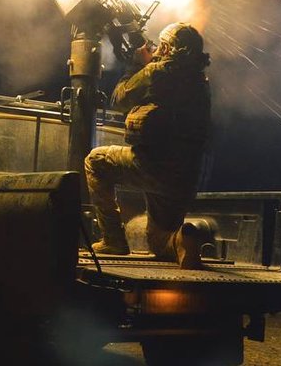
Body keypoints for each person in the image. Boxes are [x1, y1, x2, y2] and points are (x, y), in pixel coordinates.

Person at [84, 22, 212, 269]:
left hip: (153, 166)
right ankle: (180, 241)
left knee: (96, 161)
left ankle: (112, 239)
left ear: (165, 47)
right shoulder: (201, 82)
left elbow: (119, 99)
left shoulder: (156, 73)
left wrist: (135, 64)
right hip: (185, 177)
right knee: (157, 241)